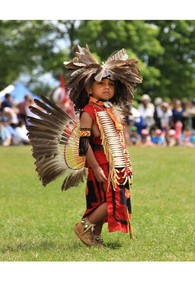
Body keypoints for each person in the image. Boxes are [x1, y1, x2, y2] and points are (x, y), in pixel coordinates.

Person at [26, 45, 142, 248]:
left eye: (111, 85)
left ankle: (94, 237)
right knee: (115, 201)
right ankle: (84, 225)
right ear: (89, 88)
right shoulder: (88, 111)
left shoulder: (108, 109)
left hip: (116, 164)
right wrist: (95, 166)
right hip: (101, 163)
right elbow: (84, 142)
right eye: (102, 84)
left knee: (99, 200)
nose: (107, 88)